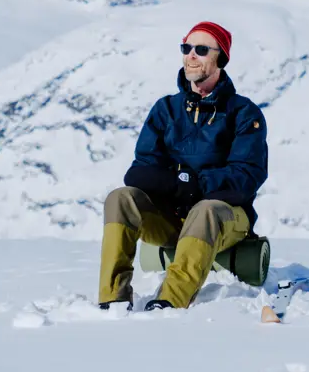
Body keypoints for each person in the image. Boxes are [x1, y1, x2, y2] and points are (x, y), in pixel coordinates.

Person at [98, 20, 269, 311]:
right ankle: (113, 297)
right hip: (172, 218)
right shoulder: (165, 110)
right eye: (186, 47)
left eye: (201, 49)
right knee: (120, 198)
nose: (191, 55)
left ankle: (170, 300)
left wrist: (189, 183)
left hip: (227, 219)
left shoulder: (243, 113)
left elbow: (245, 178)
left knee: (205, 209)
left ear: (220, 58)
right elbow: (139, 173)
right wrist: (182, 183)